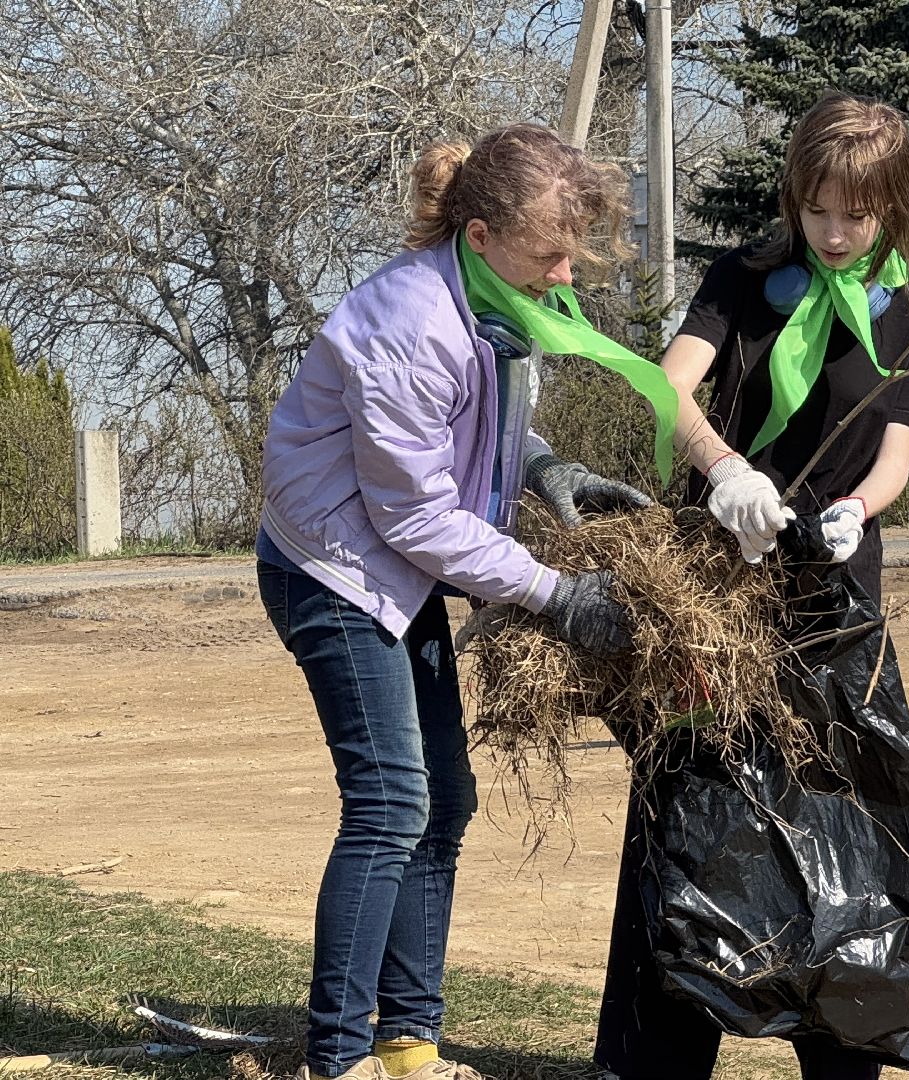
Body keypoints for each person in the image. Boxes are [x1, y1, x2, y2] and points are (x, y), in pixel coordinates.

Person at [257, 123, 676, 1080]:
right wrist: (559, 594)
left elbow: (481, 428)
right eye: (551, 252)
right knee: (390, 803)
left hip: (394, 569)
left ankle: (410, 1047)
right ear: (480, 234)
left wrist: (544, 465)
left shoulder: (497, 301)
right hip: (334, 573)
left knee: (444, 801)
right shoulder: (410, 323)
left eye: (574, 250)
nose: (566, 272)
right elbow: (417, 517)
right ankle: (338, 1058)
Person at [594, 92, 909, 1080]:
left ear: (894, 208)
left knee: (840, 829)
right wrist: (723, 469)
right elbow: (663, 385)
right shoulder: (745, 280)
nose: (833, 234)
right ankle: (656, 1058)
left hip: (834, 610)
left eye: (856, 215)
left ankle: (841, 1052)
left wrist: (858, 512)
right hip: (713, 594)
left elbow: (897, 453)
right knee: (691, 822)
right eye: (817, 211)